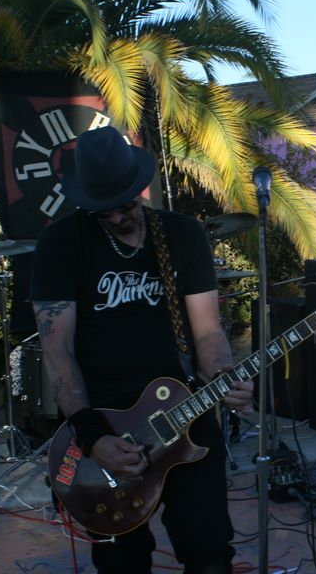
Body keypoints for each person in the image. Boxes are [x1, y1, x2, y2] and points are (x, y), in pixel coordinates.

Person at [30, 125, 253, 574]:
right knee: (122, 563)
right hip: (107, 420)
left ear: (140, 188)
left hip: (185, 411)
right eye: (103, 211)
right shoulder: (61, 243)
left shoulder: (182, 234)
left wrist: (223, 374)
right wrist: (92, 436)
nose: (117, 218)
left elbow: (207, 333)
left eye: (125, 205)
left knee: (210, 551)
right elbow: (58, 352)